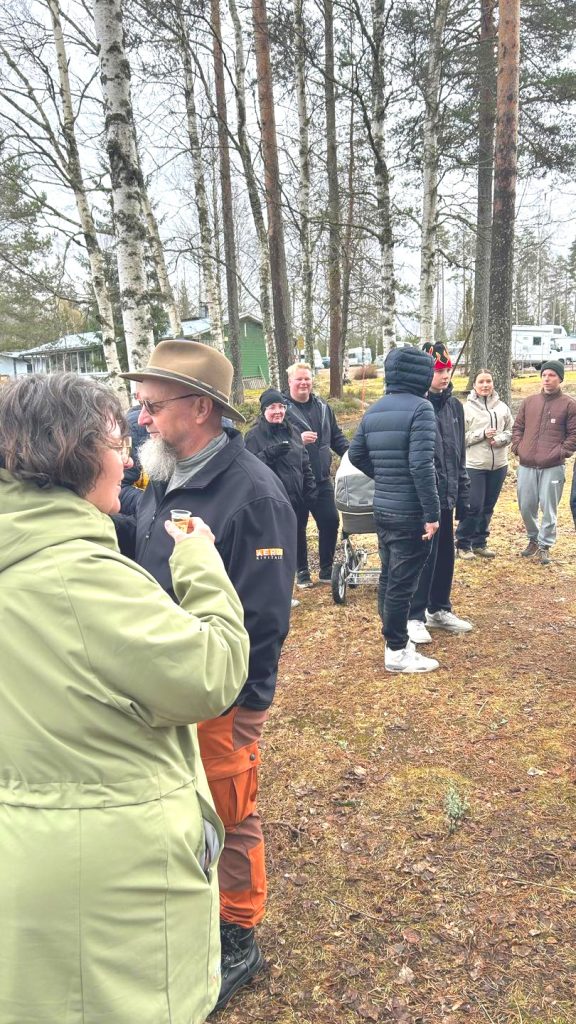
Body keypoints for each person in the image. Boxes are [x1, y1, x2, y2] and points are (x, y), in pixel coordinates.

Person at [0, 373, 249, 1024]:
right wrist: (199, 561)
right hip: (108, 876)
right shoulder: (77, 576)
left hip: (26, 840)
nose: (130, 454)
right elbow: (211, 672)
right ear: (77, 452)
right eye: (117, 440)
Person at [118, 340, 296, 1012]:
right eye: (140, 404)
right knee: (181, 806)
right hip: (163, 683)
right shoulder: (161, 473)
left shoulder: (254, 495)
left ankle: (239, 932)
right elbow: (141, 542)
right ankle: (189, 908)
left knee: (230, 810)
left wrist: (247, 705)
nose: (141, 417)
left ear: (199, 408)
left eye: (153, 405)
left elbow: (267, 615)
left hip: (222, 694)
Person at [348, 345, 441, 672]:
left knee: (390, 577)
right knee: (402, 584)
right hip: (410, 512)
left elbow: (356, 454)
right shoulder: (422, 408)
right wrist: (432, 514)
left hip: (384, 508)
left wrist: (387, 476)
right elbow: (421, 465)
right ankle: (397, 652)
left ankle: (394, 640)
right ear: (422, 375)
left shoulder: (375, 409)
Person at [407, 342, 473, 643]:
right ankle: (415, 615)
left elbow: (458, 454)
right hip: (423, 498)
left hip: (447, 493)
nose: (444, 376)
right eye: (438, 370)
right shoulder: (416, 406)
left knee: (446, 554)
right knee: (425, 557)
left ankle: (439, 608)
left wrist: (463, 492)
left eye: (447, 370)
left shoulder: (454, 406)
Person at [245, 387, 317, 608]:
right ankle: (274, 594)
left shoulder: (292, 431)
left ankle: (293, 584)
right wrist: (268, 454)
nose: (277, 411)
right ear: (263, 410)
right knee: (273, 549)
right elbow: (248, 469)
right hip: (271, 501)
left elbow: (304, 461)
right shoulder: (254, 436)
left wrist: (310, 487)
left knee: (292, 542)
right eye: (272, 407)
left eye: (281, 407)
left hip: (296, 499)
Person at [283, 361, 349, 586]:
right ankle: (301, 570)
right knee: (297, 526)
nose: (303, 383)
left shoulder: (322, 406)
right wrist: (296, 441)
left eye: (307, 379)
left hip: (321, 478)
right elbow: (270, 441)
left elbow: (337, 437)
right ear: (290, 381)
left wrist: (353, 455)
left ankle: (326, 569)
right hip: (295, 480)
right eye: (299, 379)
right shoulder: (281, 409)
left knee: (330, 520)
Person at [511, 360, 576, 564]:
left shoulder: (569, 404)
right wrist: (518, 447)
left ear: (560, 378)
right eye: (544, 375)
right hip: (527, 464)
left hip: (553, 466)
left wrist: (561, 452)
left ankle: (545, 544)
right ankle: (533, 538)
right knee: (526, 505)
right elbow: (518, 427)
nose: (547, 379)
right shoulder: (529, 402)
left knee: (549, 508)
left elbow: (574, 434)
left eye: (552, 375)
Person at [455, 368, 513, 559]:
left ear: (493, 384)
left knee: (488, 506)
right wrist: (482, 434)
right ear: (474, 385)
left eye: (488, 381)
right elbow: (459, 438)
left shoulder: (502, 407)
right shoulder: (466, 409)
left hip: (499, 465)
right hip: (475, 466)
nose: (485, 385)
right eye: (481, 382)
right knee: (474, 506)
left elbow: (512, 431)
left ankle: (480, 542)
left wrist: (500, 439)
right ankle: (463, 544)